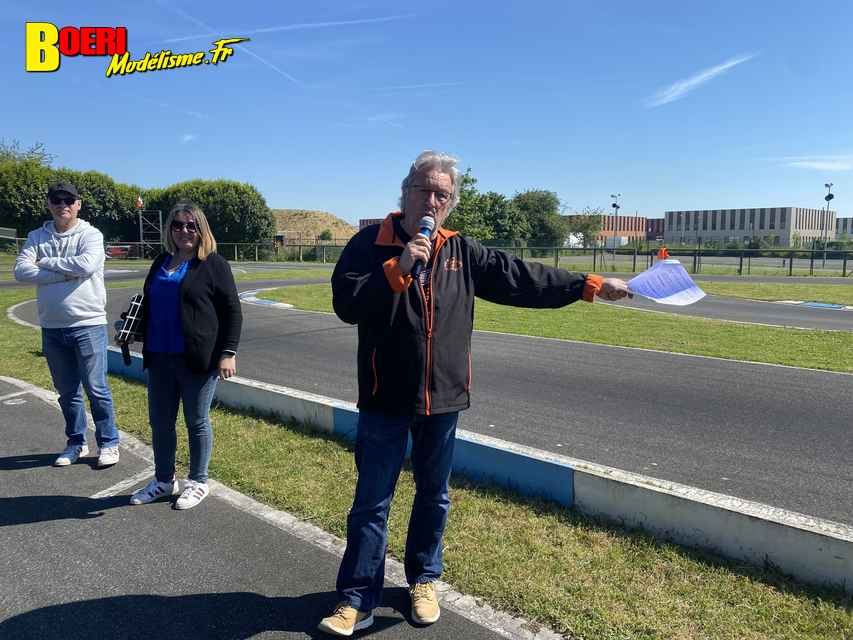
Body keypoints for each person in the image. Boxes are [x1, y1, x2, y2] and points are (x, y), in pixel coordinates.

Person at [318, 151, 631, 636]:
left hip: (443, 400)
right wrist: (397, 268)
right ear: (404, 193)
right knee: (371, 502)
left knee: (434, 497)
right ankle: (357, 597)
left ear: (450, 203)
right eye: (424, 189)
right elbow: (346, 303)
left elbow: (523, 278)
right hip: (385, 399)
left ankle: (423, 579)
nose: (432, 200)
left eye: (442, 194)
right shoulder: (368, 243)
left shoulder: (462, 251)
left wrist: (588, 285)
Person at [128, 202, 242, 510]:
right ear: (170, 230)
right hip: (159, 356)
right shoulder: (161, 262)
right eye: (178, 225)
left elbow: (232, 311)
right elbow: (150, 304)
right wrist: (130, 329)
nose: (184, 231)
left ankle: (198, 481)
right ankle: (164, 480)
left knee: (196, 421)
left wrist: (228, 352)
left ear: (202, 230)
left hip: (197, 359)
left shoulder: (213, 264)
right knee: (160, 422)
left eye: (191, 226)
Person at [14, 181, 120, 468]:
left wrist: (45, 262)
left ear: (78, 204)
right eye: (57, 200)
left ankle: (109, 442)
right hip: (52, 326)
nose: (63, 206)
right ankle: (77, 442)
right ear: (49, 204)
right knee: (67, 392)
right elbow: (22, 270)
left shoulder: (91, 234)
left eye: (69, 201)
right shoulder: (37, 235)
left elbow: (86, 265)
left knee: (96, 388)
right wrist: (63, 273)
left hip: (88, 323)